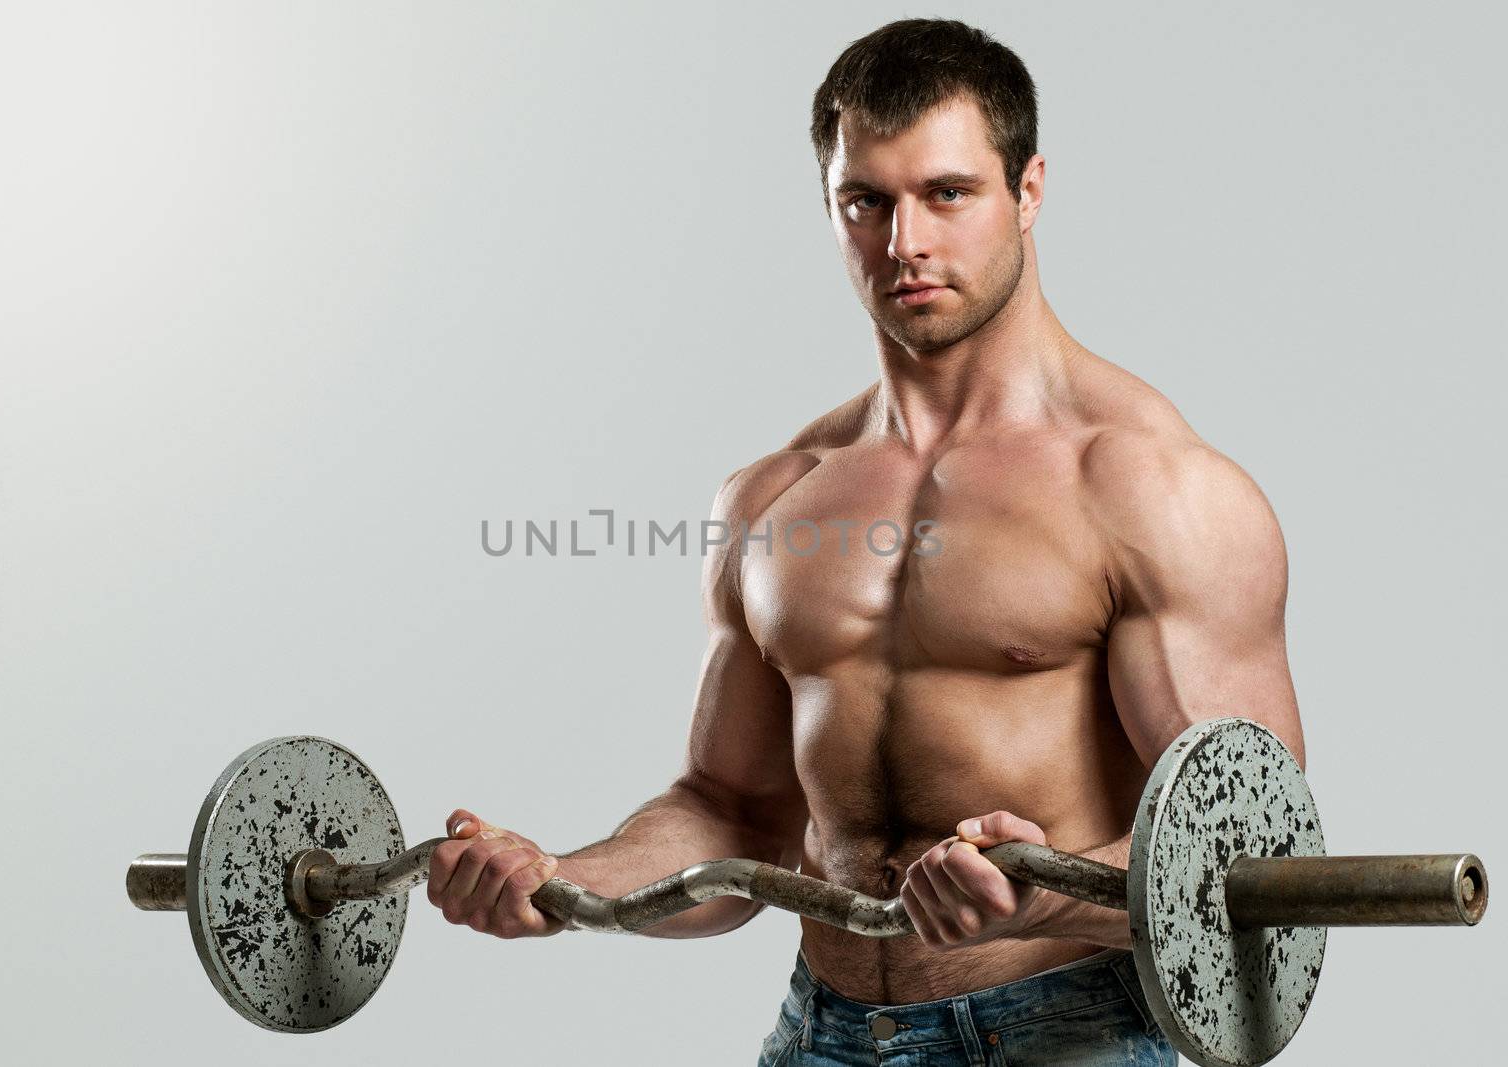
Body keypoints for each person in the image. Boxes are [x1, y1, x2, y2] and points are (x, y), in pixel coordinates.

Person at [428, 18, 1304, 1065]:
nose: (905, 243)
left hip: (1066, 1035)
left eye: (947, 193)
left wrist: (1039, 894)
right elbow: (731, 813)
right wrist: (561, 878)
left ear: (1026, 191)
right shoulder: (775, 494)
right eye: (867, 201)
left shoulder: (1148, 487)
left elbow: (1252, 864)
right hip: (824, 1033)